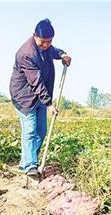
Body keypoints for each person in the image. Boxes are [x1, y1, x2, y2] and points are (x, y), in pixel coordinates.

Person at [9, 18, 71, 178]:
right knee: (30, 130)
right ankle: (30, 166)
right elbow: (36, 82)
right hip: (24, 97)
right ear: (34, 36)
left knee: (41, 131)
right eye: (43, 42)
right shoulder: (26, 53)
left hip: (40, 97)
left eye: (49, 42)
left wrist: (62, 54)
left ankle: (27, 161)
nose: (46, 45)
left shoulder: (47, 47)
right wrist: (49, 104)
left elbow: (54, 51)